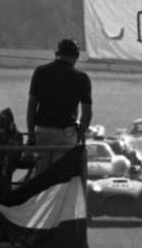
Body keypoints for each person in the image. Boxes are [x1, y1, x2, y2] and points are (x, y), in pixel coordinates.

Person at [26, 38, 92, 173]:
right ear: (76, 56)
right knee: (60, 177)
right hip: (66, 134)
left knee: (40, 177)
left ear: (57, 53)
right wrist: (79, 135)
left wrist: (31, 133)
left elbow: (32, 107)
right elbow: (87, 114)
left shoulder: (40, 72)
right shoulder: (82, 78)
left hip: (43, 131)